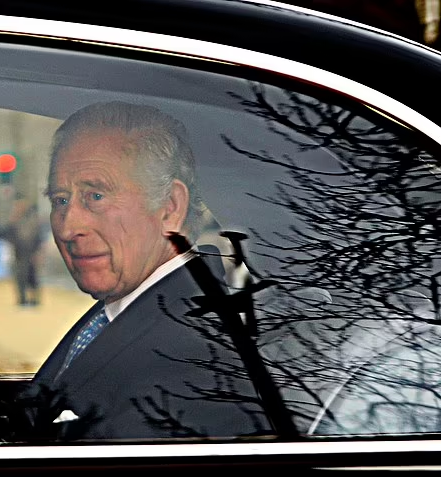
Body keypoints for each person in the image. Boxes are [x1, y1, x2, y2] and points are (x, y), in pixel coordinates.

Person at [14, 101, 272, 441]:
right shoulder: (134, 308)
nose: (67, 227)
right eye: (60, 200)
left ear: (169, 208)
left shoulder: (193, 362)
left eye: (95, 196)